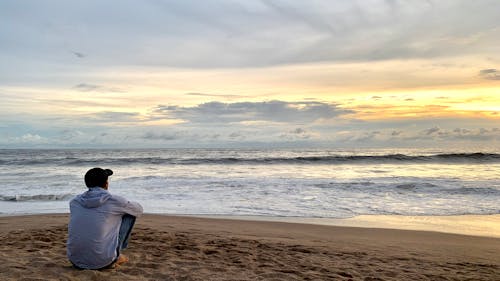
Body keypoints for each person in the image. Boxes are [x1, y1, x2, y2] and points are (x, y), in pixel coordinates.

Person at [67, 168, 143, 269]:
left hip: (75, 260)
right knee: (129, 214)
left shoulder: (75, 202)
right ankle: (117, 253)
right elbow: (138, 210)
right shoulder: (114, 200)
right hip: (103, 262)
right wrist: (122, 207)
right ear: (106, 184)